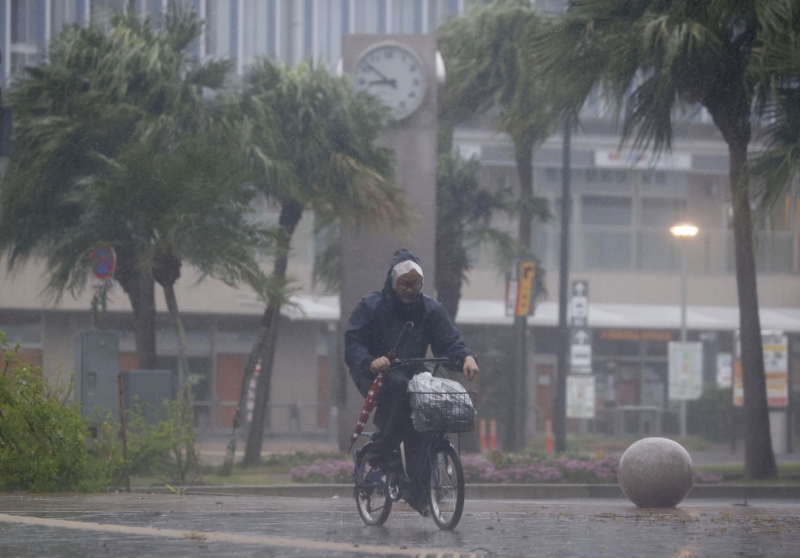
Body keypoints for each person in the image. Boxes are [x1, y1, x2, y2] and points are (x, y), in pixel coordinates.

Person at [345, 248, 479, 516]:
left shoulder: (431, 309)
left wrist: (465, 357)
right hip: (375, 374)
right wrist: (371, 362)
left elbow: (448, 340)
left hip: (414, 374)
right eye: (404, 284)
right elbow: (354, 343)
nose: (409, 290)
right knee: (396, 387)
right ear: (392, 283)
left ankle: (417, 490)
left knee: (425, 419)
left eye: (415, 285)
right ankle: (381, 452)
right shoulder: (370, 306)